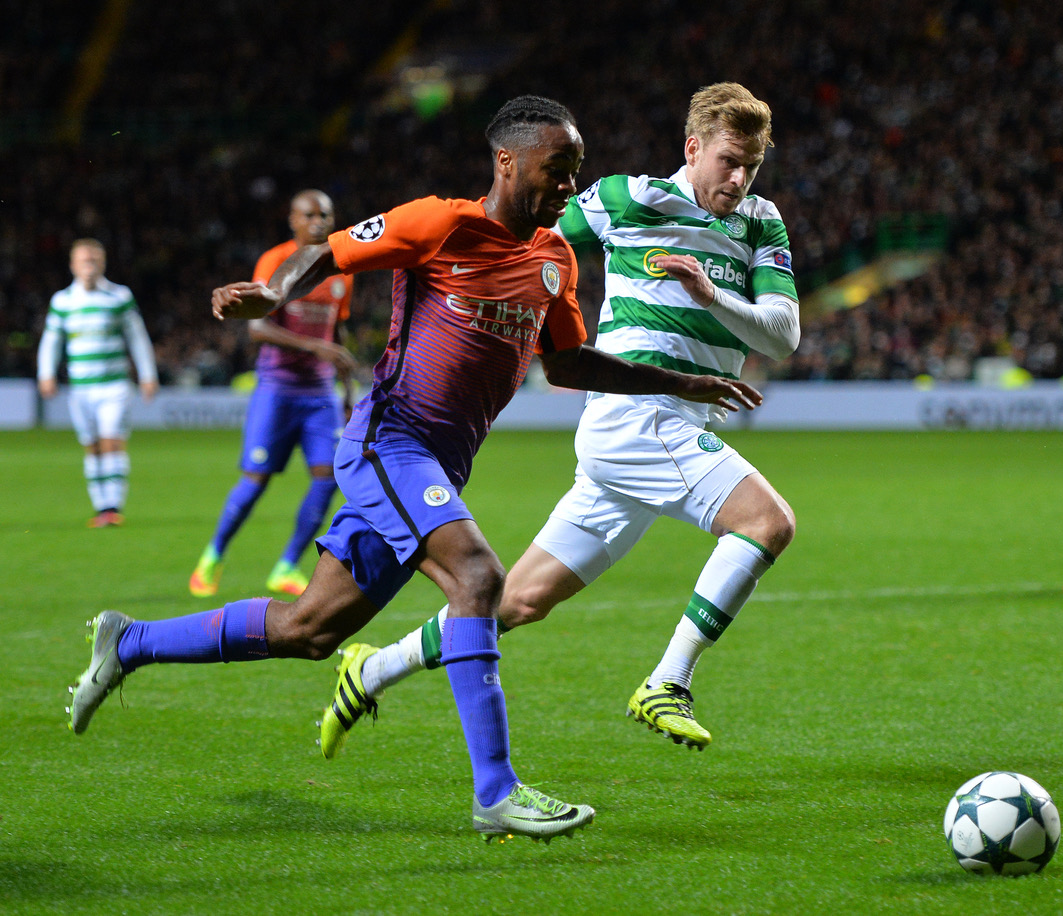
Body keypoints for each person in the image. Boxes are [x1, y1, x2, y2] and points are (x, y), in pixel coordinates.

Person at [66, 95, 761, 842]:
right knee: (478, 577)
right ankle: (496, 793)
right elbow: (331, 250)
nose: (568, 187)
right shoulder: (442, 221)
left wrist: (681, 381)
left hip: (436, 465)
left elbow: (565, 363)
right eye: (557, 170)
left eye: (576, 173)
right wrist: (274, 293)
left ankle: (128, 641)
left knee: (310, 629)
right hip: (388, 443)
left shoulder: (554, 260)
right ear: (508, 160)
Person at [318, 82, 799, 759]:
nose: (739, 177)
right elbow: (522, 239)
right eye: (728, 159)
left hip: (670, 428)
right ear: (693, 148)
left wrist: (708, 292)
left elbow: (780, 337)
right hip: (637, 418)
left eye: (751, 164)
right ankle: (669, 680)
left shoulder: (760, 221)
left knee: (516, 602)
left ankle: (371, 670)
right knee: (767, 523)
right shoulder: (626, 198)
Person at [189, 190, 357, 599]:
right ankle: (212, 556)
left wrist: (348, 390)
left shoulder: (342, 270)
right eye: (309, 214)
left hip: (319, 393)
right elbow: (257, 328)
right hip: (278, 388)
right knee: (257, 478)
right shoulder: (274, 259)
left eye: (325, 214)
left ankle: (286, 565)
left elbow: (337, 332)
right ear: (292, 220)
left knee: (329, 476)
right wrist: (314, 348)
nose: (318, 221)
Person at [37, 238, 158, 527]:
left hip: (114, 385)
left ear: (102, 264)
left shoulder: (118, 296)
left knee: (111, 440)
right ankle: (100, 506)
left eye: (94, 260)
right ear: (73, 265)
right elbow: (52, 341)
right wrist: (46, 373)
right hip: (81, 388)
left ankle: (113, 506)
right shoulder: (63, 301)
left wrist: (147, 375)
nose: (89, 266)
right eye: (83, 261)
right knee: (91, 446)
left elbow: (137, 338)